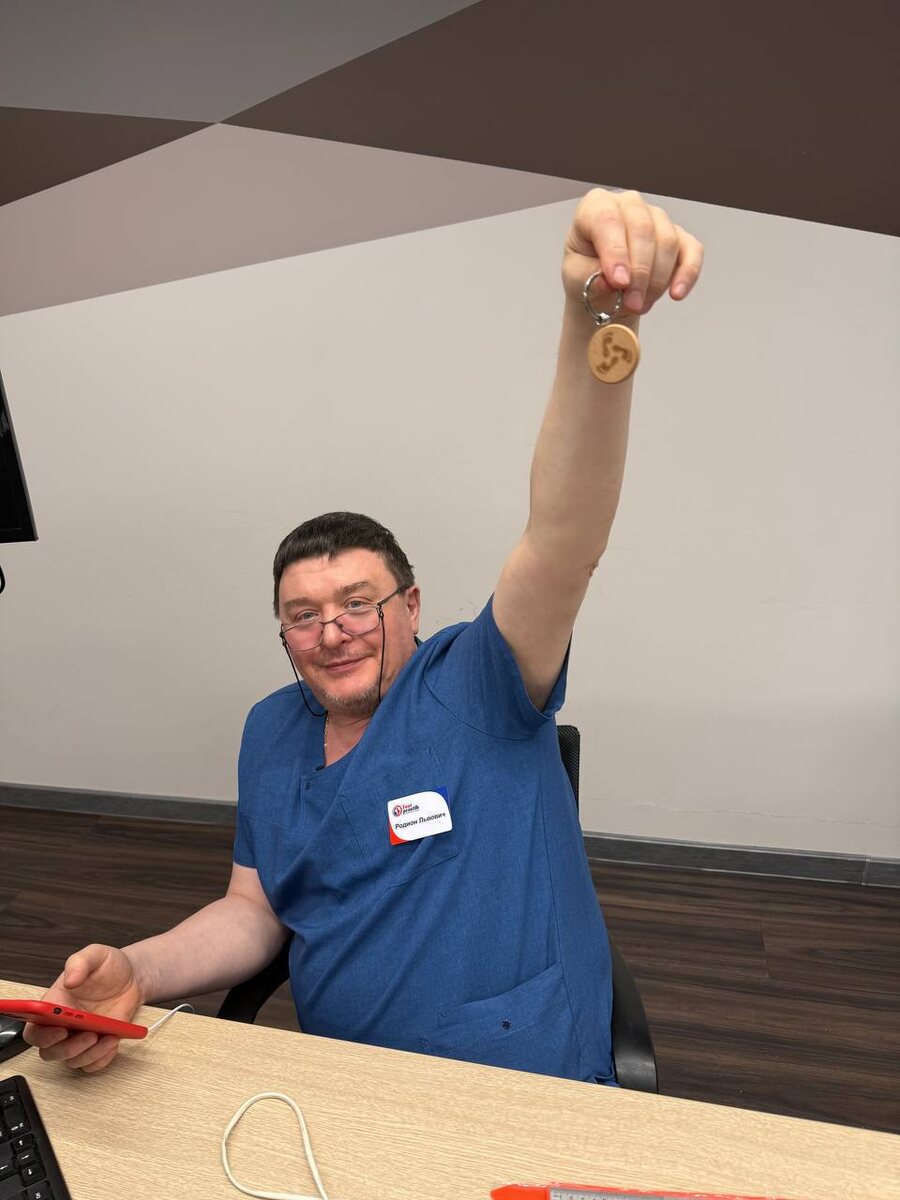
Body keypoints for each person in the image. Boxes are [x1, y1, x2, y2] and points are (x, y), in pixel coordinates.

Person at [24, 188, 704, 1079]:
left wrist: (595, 321)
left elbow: (562, 538)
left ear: (411, 607)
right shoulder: (271, 730)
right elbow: (255, 911)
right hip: (340, 1092)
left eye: (359, 602)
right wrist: (139, 970)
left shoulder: (476, 683)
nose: (333, 632)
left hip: (520, 1084)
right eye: (302, 616)